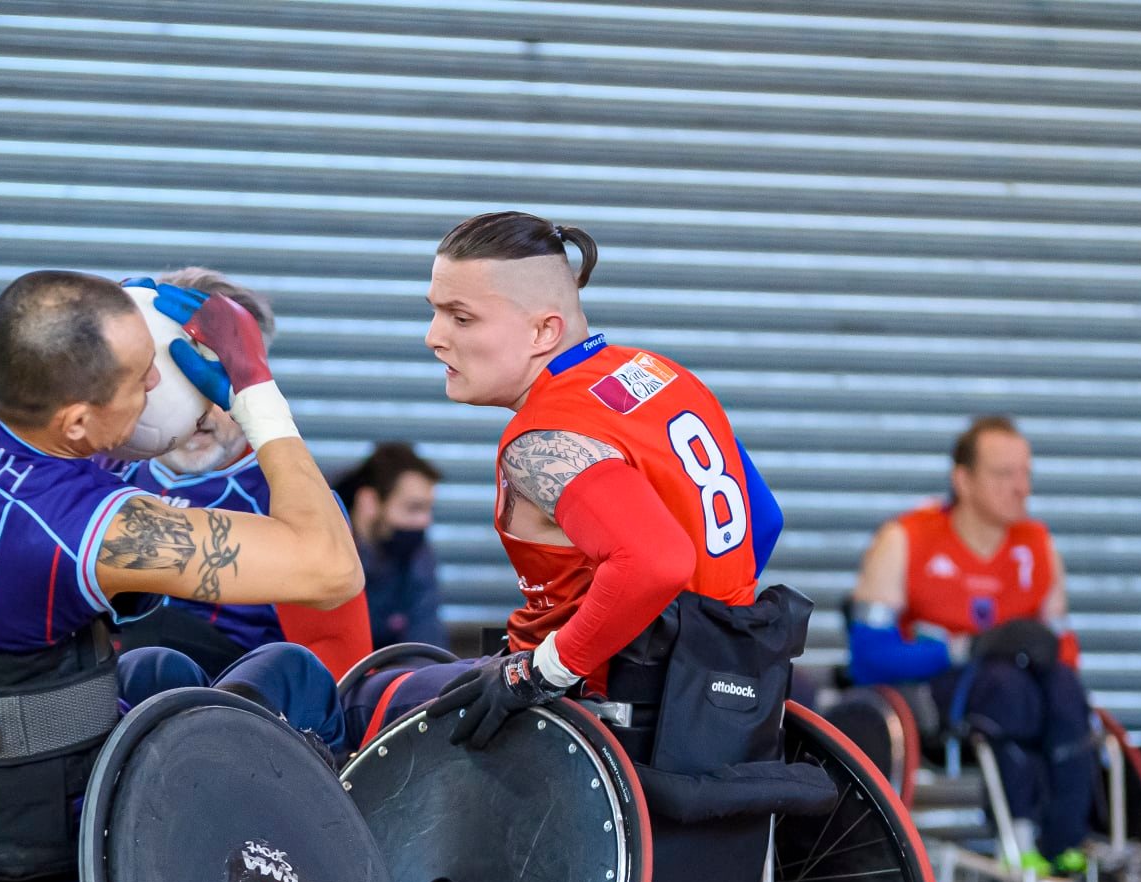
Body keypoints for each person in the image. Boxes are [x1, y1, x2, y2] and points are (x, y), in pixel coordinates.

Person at [0, 270, 361, 809]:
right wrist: (255, 390)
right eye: (142, 377)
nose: (155, 387)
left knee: (159, 669)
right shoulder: (95, 529)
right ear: (77, 422)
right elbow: (333, 570)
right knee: (292, 672)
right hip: (34, 795)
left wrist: (82, 340)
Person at [338, 211, 783, 752]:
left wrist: (540, 672)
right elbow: (762, 519)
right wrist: (697, 630)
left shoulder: (542, 440)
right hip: (719, 692)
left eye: (461, 317)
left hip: (584, 710)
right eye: (434, 313)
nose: (433, 338)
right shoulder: (662, 375)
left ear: (543, 330)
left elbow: (657, 561)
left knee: (347, 699)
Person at [845, 416, 1093, 871]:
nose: (1020, 488)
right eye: (1004, 475)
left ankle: (1068, 839)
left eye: (1026, 474)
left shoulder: (1038, 547)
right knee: (1005, 688)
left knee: (1063, 687)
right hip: (935, 692)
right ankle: (1018, 840)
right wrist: (966, 648)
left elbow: (1066, 649)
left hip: (1024, 693)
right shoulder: (904, 540)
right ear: (963, 480)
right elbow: (866, 658)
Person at [109, 267, 372, 679]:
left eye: (215, 382)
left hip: (225, 713)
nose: (197, 412)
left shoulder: (289, 496)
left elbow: (337, 671)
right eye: (175, 381)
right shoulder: (104, 466)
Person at [335, 442, 446, 650]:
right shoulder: (325, 553)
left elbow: (426, 647)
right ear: (369, 502)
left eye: (428, 509)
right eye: (413, 508)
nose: (425, 521)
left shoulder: (416, 553)